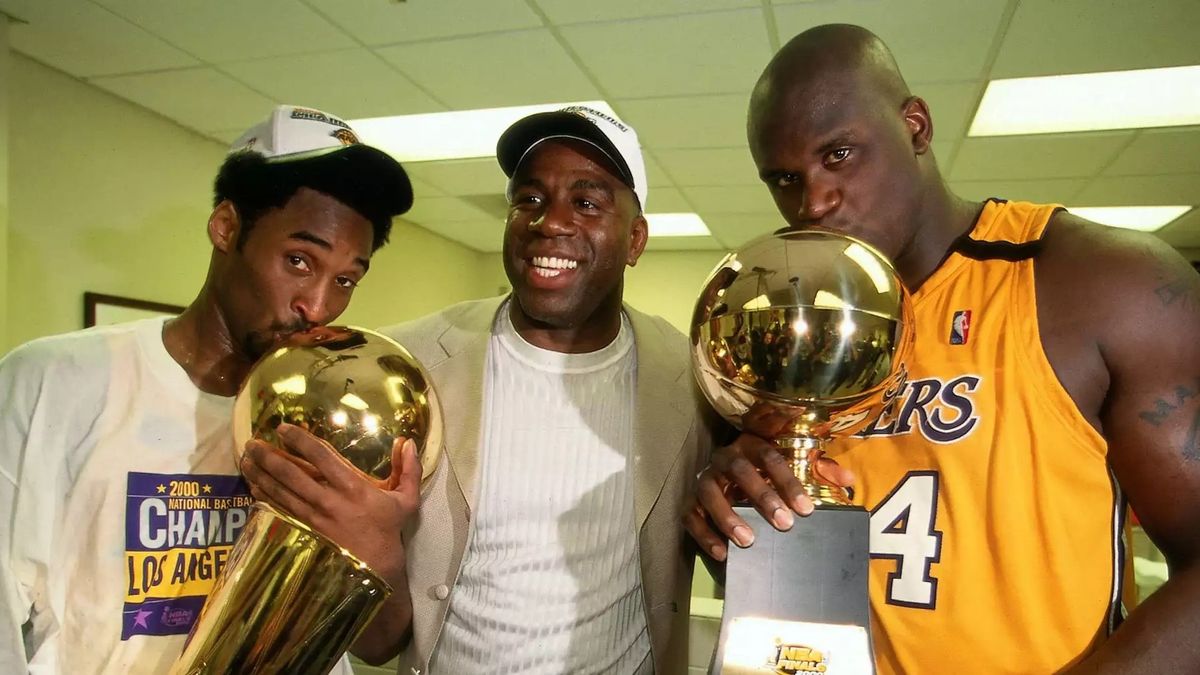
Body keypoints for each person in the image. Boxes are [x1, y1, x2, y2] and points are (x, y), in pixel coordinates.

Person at [685, 24, 1200, 674]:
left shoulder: (1098, 281)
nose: (813, 200)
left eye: (838, 154)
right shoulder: (792, 337)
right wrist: (729, 512)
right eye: (784, 178)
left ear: (917, 127)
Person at [241, 105, 718, 674]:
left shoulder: (694, 379)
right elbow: (371, 639)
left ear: (635, 239)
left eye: (587, 202)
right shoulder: (402, 368)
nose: (550, 222)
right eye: (529, 200)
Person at [0, 104, 414, 674]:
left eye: (345, 280)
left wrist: (381, 539)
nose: (318, 306)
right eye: (299, 259)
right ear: (226, 228)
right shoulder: (57, 380)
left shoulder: (327, 423)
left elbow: (370, 640)